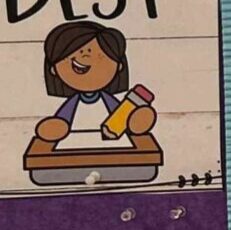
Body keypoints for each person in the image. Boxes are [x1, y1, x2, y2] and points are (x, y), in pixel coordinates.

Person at [33, 20, 156, 149]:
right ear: (53, 69)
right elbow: (64, 118)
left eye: (100, 57)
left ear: (119, 66)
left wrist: (128, 121)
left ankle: (135, 124)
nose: (85, 56)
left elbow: (119, 115)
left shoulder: (108, 100)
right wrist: (57, 126)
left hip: (114, 147)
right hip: (73, 147)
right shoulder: (73, 103)